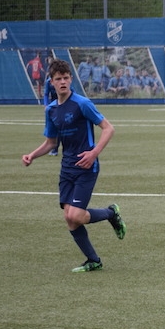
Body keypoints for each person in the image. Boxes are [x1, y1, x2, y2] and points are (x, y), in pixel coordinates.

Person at [21, 59, 126, 273]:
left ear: (71, 80)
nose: (62, 82)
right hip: (67, 169)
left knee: (76, 216)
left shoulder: (82, 104)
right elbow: (51, 143)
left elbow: (108, 128)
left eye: (66, 78)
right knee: (70, 219)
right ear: (51, 82)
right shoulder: (51, 110)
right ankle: (93, 260)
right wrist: (32, 155)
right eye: (58, 79)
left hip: (86, 167)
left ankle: (110, 213)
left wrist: (94, 152)